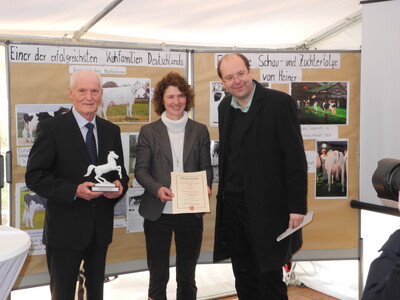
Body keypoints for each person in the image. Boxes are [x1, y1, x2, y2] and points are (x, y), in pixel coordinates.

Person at [25, 70, 129, 300]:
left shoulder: (111, 130)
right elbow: (35, 176)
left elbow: (120, 174)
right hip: (64, 232)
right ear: (71, 93)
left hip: (99, 231)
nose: (88, 97)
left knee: (95, 295)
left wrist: (119, 187)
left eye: (94, 91)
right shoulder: (52, 128)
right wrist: (73, 190)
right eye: (82, 91)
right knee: (62, 294)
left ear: (101, 94)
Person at [213, 53, 308, 300]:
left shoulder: (279, 103)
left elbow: (295, 159)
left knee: (269, 280)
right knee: (243, 277)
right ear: (222, 83)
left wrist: (297, 207)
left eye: (241, 73)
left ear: (250, 71)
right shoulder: (225, 108)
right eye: (230, 77)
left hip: (269, 211)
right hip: (233, 210)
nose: (237, 81)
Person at [135, 72, 213, 300]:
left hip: (190, 211)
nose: (176, 101)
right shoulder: (149, 132)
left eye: (180, 96)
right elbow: (140, 170)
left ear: (187, 98)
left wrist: (205, 184)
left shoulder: (199, 130)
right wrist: (157, 188)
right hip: (158, 211)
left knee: (187, 274)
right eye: (170, 97)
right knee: (158, 273)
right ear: (162, 100)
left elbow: (207, 167)